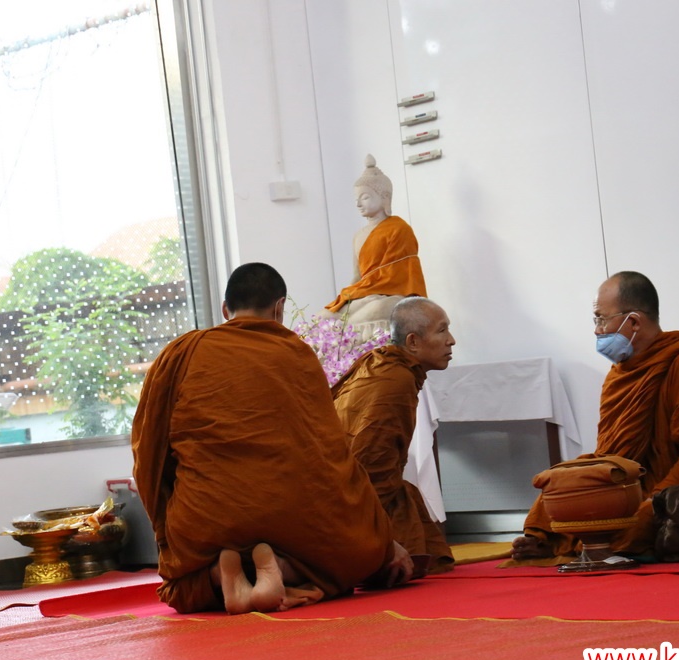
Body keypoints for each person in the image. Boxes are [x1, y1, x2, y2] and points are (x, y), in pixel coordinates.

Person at [132, 262, 413, 614]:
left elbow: (148, 452)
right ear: (279, 307)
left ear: (225, 310)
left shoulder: (182, 353)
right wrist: (381, 542)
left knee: (180, 585)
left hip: (206, 519)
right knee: (360, 555)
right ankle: (283, 569)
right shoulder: (298, 354)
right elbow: (330, 455)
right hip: (295, 521)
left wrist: (168, 528)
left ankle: (219, 575)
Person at [512, 271, 679, 559]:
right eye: (595, 320)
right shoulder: (619, 373)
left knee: (627, 529)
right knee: (565, 479)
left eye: (601, 319)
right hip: (634, 483)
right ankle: (542, 538)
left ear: (634, 322)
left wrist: (653, 500)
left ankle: (585, 538)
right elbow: (610, 454)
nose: (597, 330)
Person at [331, 297, 457, 575]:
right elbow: (372, 467)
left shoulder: (380, 363)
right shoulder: (396, 380)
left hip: (344, 486)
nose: (451, 340)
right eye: (442, 330)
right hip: (349, 500)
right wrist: (381, 540)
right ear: (413, 342)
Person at [324, 154, 427, 334]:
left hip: (395, 294)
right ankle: (340, 342)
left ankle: (348, 337)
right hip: (366, 291)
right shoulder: (358, 236)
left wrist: (373, 293)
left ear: (385, 197)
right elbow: (358, 277)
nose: (358, 204)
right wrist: (348, 299)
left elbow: (407, 274)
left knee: (375, 308)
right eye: (356, 199)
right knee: (324, 317)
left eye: (364, 197)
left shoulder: (399, 228)